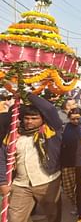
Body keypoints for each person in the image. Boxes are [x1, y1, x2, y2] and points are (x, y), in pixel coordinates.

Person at [0, 93, 63, 222]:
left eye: (34, 118)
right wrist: (2, 182)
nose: (29, 121)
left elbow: (50, 109)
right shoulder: (13, 135)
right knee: (15, 218)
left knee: (53, 217)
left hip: (47, 181)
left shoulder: (50, 131)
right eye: (27, 118)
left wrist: (26, 94)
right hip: (20, 184)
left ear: (42, 119)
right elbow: (2, 158)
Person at [61, 108, 81, 215]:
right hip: (67, 162)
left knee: (80, 187)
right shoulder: (65, 128)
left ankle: (80, 206)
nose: (75, 121)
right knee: (68, 187)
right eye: (72, 119)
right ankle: (75, 204)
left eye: (78, 119)